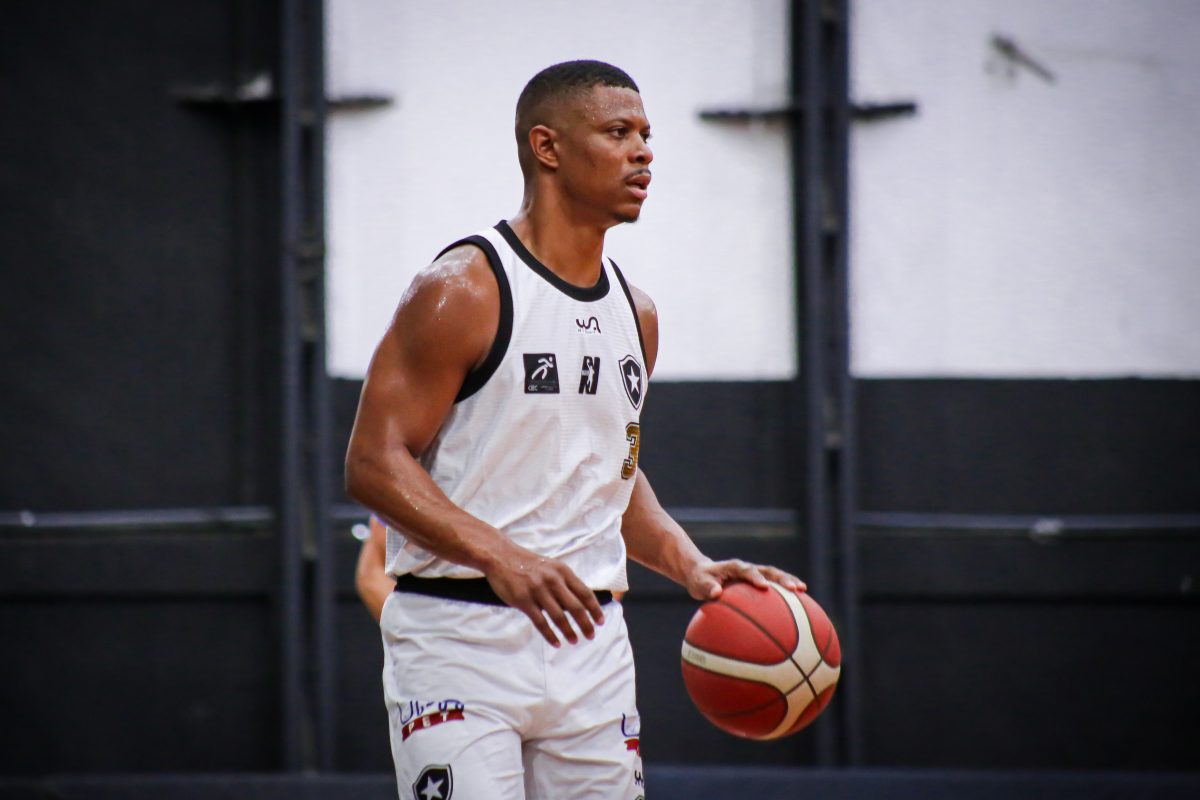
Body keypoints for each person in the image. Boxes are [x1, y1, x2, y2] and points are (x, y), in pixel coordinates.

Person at [344, 59, 806, 800]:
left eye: (647, 135)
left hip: (592, 641)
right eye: (618, 132)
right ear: (547, 147)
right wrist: (502, 555)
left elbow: (609, 475)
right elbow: (372, 462)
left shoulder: (637, 314)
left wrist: (691, 564)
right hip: (458, 636)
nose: (643, 152)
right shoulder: (465, 287)